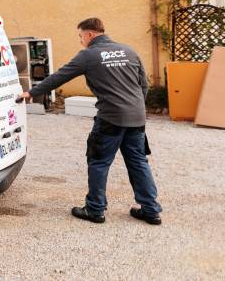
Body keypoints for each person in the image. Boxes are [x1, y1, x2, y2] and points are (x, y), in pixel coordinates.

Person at [18, 17, 162, 225]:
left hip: (110, 118)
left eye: (80, 36)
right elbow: (143, 86)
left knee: (99, 161)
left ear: (90, 34)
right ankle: (151, 210)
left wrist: (32, 92)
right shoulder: (129, 51)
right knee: (139, 162)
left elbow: (60, 76)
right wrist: (135, 108)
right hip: (136, 117)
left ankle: (95, 209)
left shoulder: (89, 55)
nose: (80, 41)